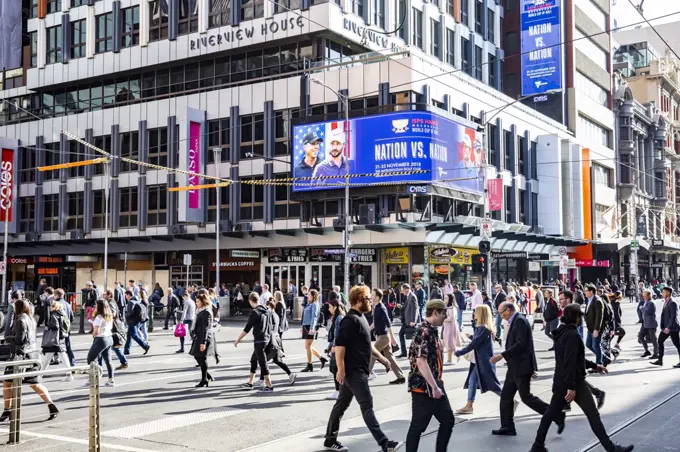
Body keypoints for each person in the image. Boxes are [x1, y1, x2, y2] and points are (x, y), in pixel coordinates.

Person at [529, 304, 634, 452]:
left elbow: (575, 359)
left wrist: (594, 365)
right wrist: (571, 387)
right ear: (576, 317)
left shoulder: (561, 333)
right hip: (574, 382)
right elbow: (571, 362)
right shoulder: (572, 335)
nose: (582, 319)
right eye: (581, 316)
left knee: (550, 414)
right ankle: (611, 449)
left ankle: (537, 446)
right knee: (593, 415)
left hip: (560, 381)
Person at [323, 285, 401, 452]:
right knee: (367, 406)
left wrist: (382, 359)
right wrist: (341, 370)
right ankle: (384, 443)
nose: (370, 302)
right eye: (367, 299)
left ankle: (330, 440)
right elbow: (339, 347)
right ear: (358, 300)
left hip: (356, 371)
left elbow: (367, 344)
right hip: (353, 372)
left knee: (341, 405)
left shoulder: (362, 318)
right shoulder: (349, 320)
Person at [491, 302, 564, 436]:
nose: (501, 316)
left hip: (521, 366)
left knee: (526, 397)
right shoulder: (517, 320)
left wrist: (502, 355)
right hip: (515, 366)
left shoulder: (519, 321)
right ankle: (507, 426)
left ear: (508, 310)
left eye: (501, 313)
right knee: (506, 397)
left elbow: (521, 344)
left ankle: (556, 415)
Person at [405, 300, 455, 452]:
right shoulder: (424, 332)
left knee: (447, 420)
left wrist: (436, 385)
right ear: (435, 312)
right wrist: (434, 387)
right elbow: (421, 362)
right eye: (443, 313)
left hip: (434, 384)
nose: (445, 316)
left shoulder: (431, 330)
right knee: (417, 427)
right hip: (424, 387)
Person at [1, 298, 60, 422]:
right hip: (32, 354)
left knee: (7, 383)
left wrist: (7, 338)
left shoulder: (20, 320)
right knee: (35, 383)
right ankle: (51, 405)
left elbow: (19, 340)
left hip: (21, 356)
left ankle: (7, 410)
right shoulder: (31, 318)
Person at [454, 305, 502, 414]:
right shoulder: (483, 327)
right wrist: (471, 336)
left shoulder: (482, 328)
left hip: (483, 361)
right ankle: (469, 405)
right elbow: (478, 341)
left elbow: (475, 344)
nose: (474, 313)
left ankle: (510, 401)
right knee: (473, 381)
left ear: (480, 314)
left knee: (493, 385)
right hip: (480, 360)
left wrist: (460, 352)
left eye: (475, 312)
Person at [236, 293, 274, 391]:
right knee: (253, 360)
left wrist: (238, 339)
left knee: (263, 363)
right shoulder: (267, 310)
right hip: (266, 339)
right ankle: (250, 383)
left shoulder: (255, 312)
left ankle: (269, 386)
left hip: (259, 340)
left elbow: (247, 328)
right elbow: (271, 326)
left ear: (251, 301)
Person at [368, 288, 404, 384]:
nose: (371, 296)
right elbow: (375, 323)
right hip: (381, 336)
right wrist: (366, 329)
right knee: (390, 357)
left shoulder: (381, 308)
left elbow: (388, 324)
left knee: (373, 353)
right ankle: (400, 377)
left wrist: (392, 338)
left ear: (377, 297)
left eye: (372, 295)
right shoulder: (376, 307)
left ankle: (368, 373)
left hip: (384, 337)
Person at [39, 300, 73, 381]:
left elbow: (55, 326)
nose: (50, 308)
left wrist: (48, 326)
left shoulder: (54, 315)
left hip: (55, 339)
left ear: (54, 307)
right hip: (61, 337)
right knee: (61, 356)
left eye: (51, 306)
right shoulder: (63, 313)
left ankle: (40, 374)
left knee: (49, 356)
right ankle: (69, 374)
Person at [87, 299, 116, 387]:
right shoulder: (109, 315)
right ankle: (111, 379)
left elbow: (96, 331)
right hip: (109, 338)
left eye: (96, 305)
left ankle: (94, 377)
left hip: (101, 339)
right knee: (108, 360)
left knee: (91, 359)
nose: (95, 307)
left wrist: (93, 334)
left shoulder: (99, 317)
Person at [190, 293, 216, 387]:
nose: (196, 303)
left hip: (203, 337)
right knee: (197, 356)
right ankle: (207, 376)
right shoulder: (200, 311)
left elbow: (206, 328)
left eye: (198, 301)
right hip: (199, 336)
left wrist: (203, 342)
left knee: (201, 357)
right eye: (196, 301)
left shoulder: (207, 312)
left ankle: (204, 379)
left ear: (203, 301)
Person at [651, 286, 680, 367]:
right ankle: (660, 360)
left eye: (663, 292)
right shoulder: (666, 301)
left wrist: (668, 327)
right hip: (665, 327)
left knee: (677, 344)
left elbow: (673, 316)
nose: (662, 293)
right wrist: (664, 327)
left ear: (668, 293)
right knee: (660, 341)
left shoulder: (672, 302)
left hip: (673, 328)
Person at [301, 289, 328, 372]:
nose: (307, 296)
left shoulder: (315, 304)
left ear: (313, 296)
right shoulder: (309, 304)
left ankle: (310, 365)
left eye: (309, 294)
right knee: (308, 346)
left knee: (308, 346)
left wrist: (312, 328)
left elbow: (314, 317)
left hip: (311, 326)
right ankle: (321, 358)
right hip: (306, 325)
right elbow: (304, 316)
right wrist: (302, 326)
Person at [327, 299, 347, 400]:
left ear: (335, 307)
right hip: (336, 345)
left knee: (335, 368)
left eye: (330, 306)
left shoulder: (339, 317)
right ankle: (339, 390)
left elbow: (338, 334)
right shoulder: (336, 317)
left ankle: (338, 390)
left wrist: (334, 347)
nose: (329, 308)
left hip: (338, 346)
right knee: (334, 368)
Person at [123, 290, 150, 356]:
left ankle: (145, 346)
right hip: (136, 320)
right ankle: (126, 350)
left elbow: (130, 312)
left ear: (129, 295)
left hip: (132, 321)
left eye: (126, 295)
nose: (125, 296)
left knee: (134, 335)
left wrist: (126, 315)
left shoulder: (131, 302)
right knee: (129, 335)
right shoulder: (137, 300)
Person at [53, 288, 76, 367]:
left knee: (56, 348)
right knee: (68, 347)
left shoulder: (55, 304)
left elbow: (52, 317)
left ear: (56, 295)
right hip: (66, 329)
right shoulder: (68, 304)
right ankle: (72, 364)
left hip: (58, 329)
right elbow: (72, 317)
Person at [584, 284, 604, 365]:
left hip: (595, 328)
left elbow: (599, 316)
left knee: (596, 345)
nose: (584, 292)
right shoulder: (589, 300)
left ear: (591, 292)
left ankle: (599, 363)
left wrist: (597, 329)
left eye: (586, 291)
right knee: (588, 344)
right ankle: (603, 357)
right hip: (590, 327)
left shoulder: (597, 301)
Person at [398, 284, 419, 358]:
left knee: (413, 337)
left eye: (402, 290)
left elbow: (415, 309)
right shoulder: (407, 296)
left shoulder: (412, 296)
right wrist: (402, 307)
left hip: (410, 320)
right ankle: (404, 352)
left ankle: (414, 352)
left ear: (406, 289)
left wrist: (413, 320)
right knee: (401, 334)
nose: (402, 291)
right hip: (406, 320)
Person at [442, 293, 462, 365]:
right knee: (448, 342)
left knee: (450, 342)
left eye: (446, 298)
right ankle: (455, 355)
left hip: (451, 327)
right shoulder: (447, 307)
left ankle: (450, 359)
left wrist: (443, 319)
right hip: (447, 327)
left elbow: (451, 318)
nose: (445, 299)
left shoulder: (452, 308)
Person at [639, 289, 659, 359]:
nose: (643, 297)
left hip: (651, 323)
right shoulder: (645, 302)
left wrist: (641, 308)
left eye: (645, 295)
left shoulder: (651, 303)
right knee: (640, 336)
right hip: (645, 323)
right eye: (643, 295)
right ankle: (647, 351)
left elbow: (646, 311)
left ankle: (656, 353)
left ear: (649, 295)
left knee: (654, 339)